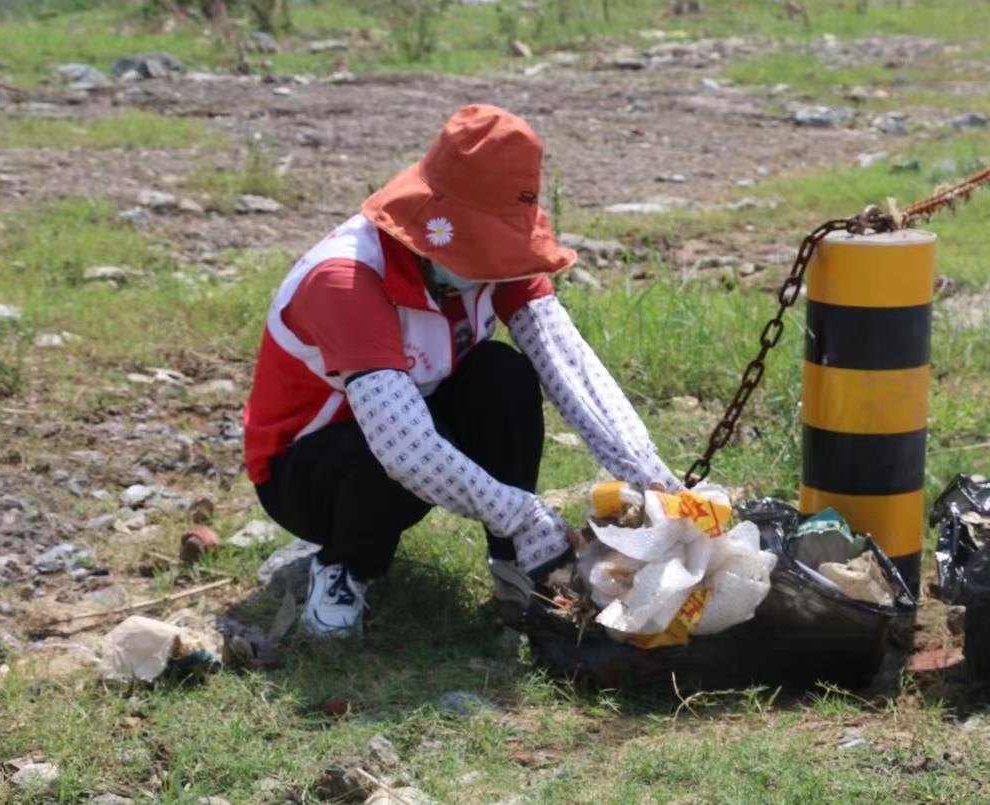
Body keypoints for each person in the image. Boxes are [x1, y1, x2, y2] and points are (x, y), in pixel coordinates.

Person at [243, 104, 681, 638]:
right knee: (387, 453)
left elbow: (568, 365)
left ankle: (517, 566)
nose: (491, 264)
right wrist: (522, 513)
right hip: (312, 467)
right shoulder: (346, 279)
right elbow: (402, 445)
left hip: (418, 420)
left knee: (504, 377)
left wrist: (648, 474)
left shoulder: (497, 265)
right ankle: (342, 569)